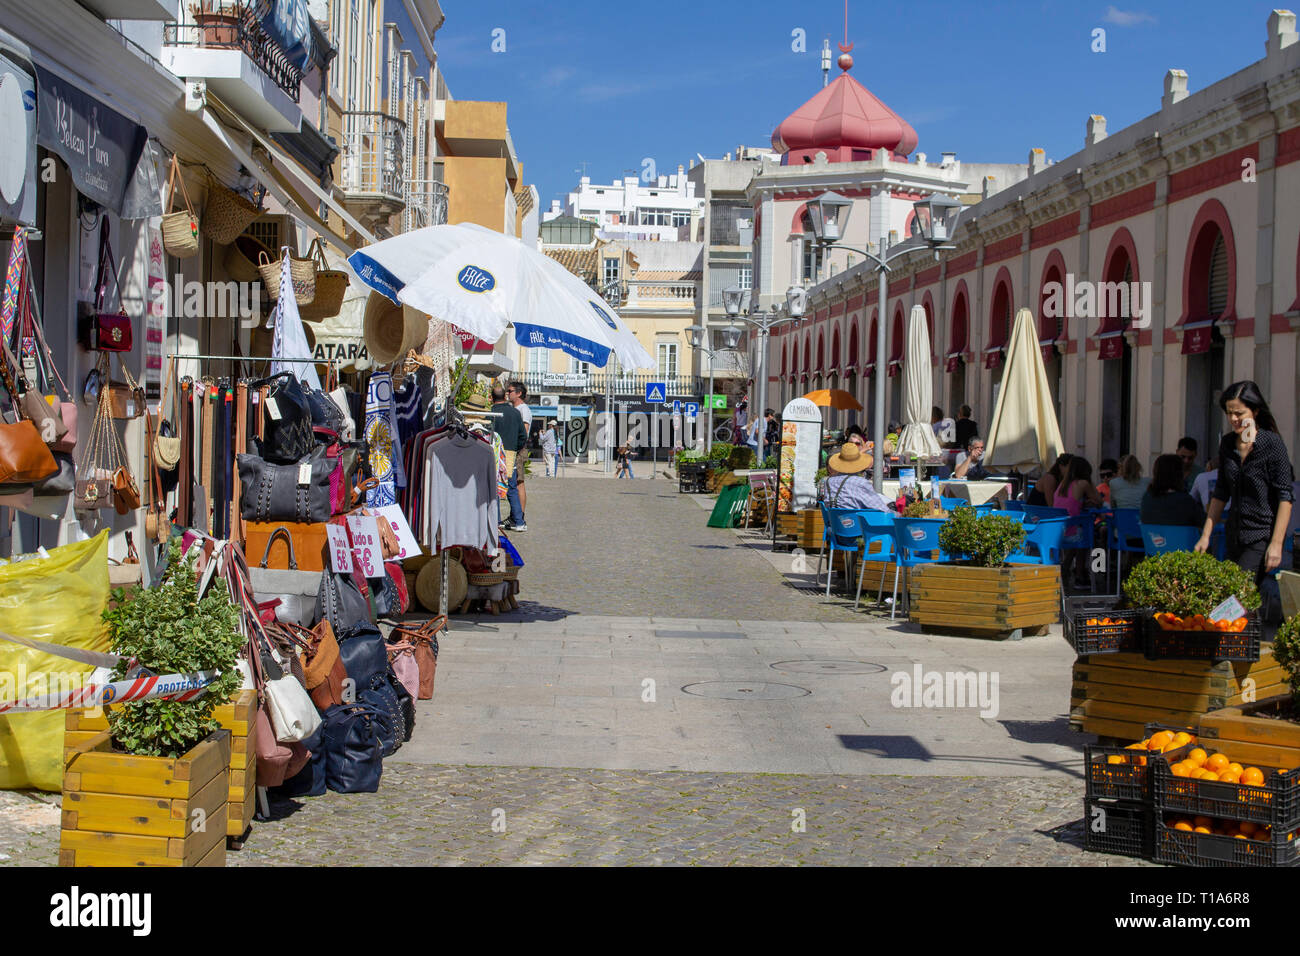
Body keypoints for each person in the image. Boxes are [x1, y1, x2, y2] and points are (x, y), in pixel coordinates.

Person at [1195, 381, 1294, 625]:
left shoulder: (1272, 445)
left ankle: (1223, 655)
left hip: (1260, 536)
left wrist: (1276, 544)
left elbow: (1285, 497)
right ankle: (1246, 651)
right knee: (1241, 599)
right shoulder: (1228, 444)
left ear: (1255, 411)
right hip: (1234, 534)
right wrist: (1206, 535)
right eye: (1230, 413)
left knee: (1235, 598)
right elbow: (1220, 493)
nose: (1234, 419)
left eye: (1240, 413)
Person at [491, 385, 527, 532]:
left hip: (493, 454)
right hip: (510, 454)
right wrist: (514, 447)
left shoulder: (490, 413)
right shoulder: (515, 413)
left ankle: (496, 520)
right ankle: (519, 521)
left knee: (493, 488)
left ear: (492, 397)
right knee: (511, 488)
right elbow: (523, 436)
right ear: (505, 396)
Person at [817, 442, 891, 511]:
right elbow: (882, 509)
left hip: (835, 523)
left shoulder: (828, 482)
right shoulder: (861, 483)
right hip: (857, 523)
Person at [1141, 454, 1206, 528]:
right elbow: (1205, 523)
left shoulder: (1146, 498)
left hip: (1153, 539)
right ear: (1179, 475)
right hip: (1181, 539)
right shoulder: (1185, 501)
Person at [506, 381, 532, 521]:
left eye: (510, 391)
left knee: (518, 482)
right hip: (512, 449)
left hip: (518, 449)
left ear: (519, 393)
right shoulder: (514, 409)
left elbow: (524, 432)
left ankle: (519, 515)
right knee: (514, 482)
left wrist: (516, 448)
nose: (507, 393)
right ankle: (514, 514)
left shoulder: (523, 410)